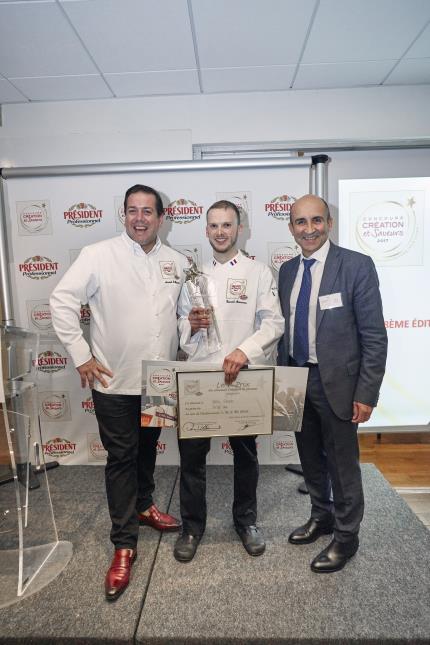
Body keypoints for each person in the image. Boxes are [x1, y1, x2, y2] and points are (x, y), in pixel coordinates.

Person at [50, 184, 188, 600]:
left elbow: (179, 320)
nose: (140, 218)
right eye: (132, 211)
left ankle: (144, 506)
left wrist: (193, 329)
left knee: (148, 449)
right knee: (122, 458)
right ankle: (124, 544)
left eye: (148, 211)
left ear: (161, 218)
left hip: (160, 381)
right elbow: (61, 301)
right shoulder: (98, 254)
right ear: (123, 215)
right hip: (113, 381)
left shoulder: (178, 262)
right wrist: (80, 355)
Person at [278, 194, 387, 573]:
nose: (309, 229)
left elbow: (374, 335)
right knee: (309, 457)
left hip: (337, 384)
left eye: (316, 221)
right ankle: (321, 517)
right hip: (294, 378)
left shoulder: (356, 266)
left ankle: (346, 536)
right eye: (300, 222)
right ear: (291, 227)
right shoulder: (288, 270)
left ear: (329, 223)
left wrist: (366, 392)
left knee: (343, 465)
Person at [174, 199, 284, 562]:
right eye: (214, 226)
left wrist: (245, 351)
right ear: (206, 231)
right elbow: (178, 329)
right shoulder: (193, 276)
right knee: (191, 458)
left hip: (242, 376)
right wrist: (190, 326)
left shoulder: (258, 272)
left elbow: (273, 322)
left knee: (246, 455)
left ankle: (246, 521)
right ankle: (192, 526)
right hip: (199, 379)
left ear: (240, 229)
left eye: (227, 225)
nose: (221, 232)